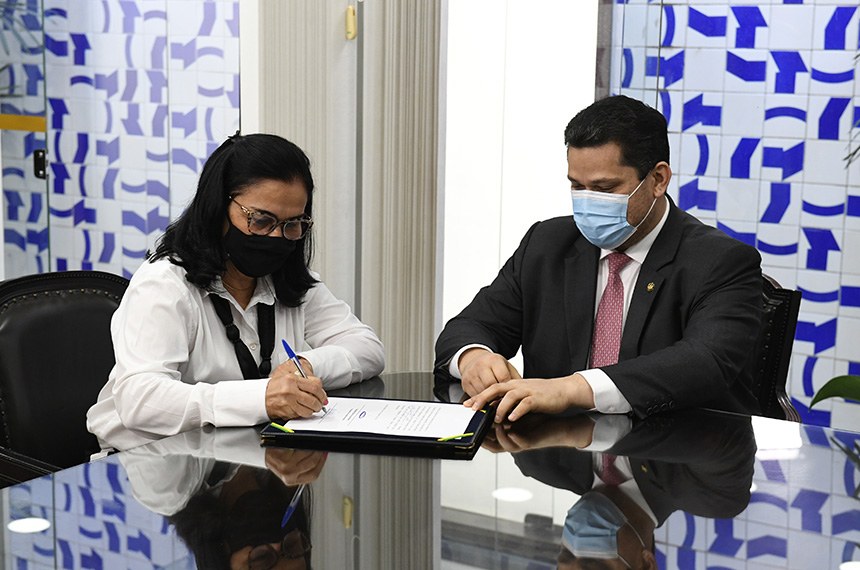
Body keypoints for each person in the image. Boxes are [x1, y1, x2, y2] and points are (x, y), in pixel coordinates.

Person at [434, 95, 762, 422]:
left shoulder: (721, 262)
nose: (588, 202)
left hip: (676, 446)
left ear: (658, 179)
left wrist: (575, 388)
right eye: (578, 187)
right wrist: (474, 358)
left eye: (605, 188)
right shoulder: (547, 244)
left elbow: (705, 360)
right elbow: (471, 325)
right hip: (558, 447)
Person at [87, 133, 385, 452]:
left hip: (241, 456)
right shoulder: (164, 284)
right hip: (147, 465)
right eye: (261, 220)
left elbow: (368, 349)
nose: (276, 237)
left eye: (292, 224)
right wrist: (261, 398)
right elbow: (140, 401)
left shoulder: (286, 279)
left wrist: (307, 364)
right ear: (218, 209)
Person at [485, 410, 755, 568]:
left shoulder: (539, 460)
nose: (577, 543)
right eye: (595, 565)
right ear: (646, 564)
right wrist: (586, 433)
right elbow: (730, 436)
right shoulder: (711, 494)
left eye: (565, 553)